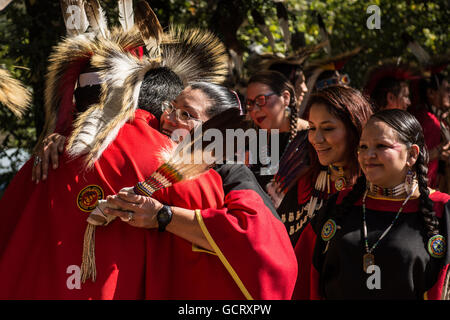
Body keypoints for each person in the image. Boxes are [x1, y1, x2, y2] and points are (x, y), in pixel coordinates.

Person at [94, 81, 298, 300]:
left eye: (186, 114)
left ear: (216, 129)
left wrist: (164, 216)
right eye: (170, 108)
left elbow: (261, 246)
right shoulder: (150, 164)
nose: (169, 118)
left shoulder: (229, 175)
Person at [311, 109, 449, 299]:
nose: (368, 155)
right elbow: (307, 277)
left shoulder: (442, 210)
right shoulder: (338, 205)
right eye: (363, 147)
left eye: (381, 146)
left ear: (411, 154)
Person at [291, 85, 374, 299]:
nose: (316, 138)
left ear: (355, 128)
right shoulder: (302, 184)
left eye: (327, 129)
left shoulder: (378, 189)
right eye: (311, 127)